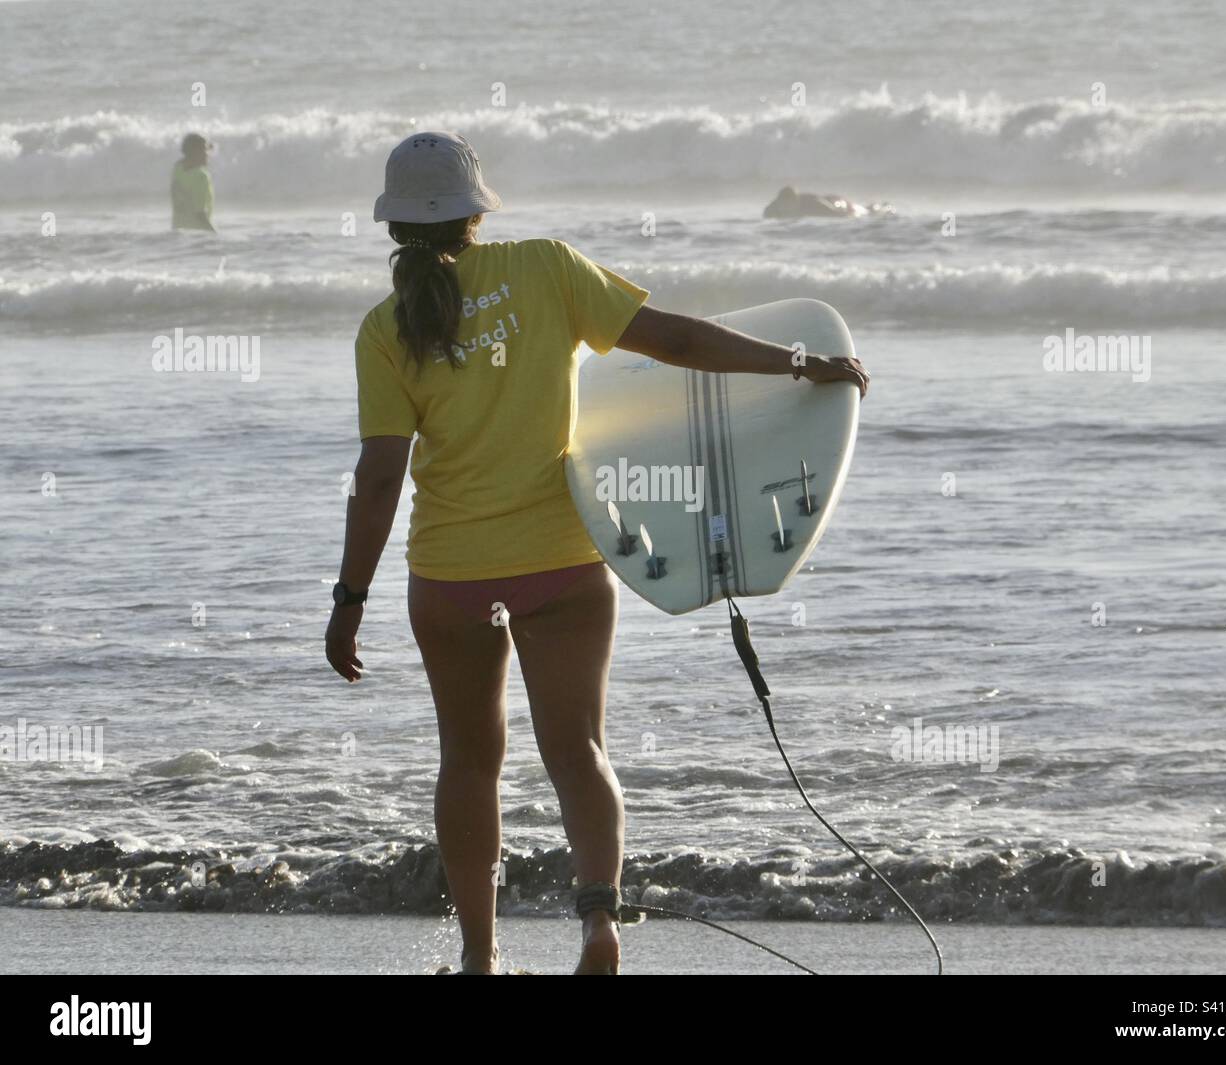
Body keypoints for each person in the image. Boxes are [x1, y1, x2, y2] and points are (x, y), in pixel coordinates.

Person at [325, 131, 868, 974]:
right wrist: (798, 363)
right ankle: (598, 923)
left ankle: (478, 958)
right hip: (561, 564)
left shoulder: (386, 328)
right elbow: (679, 344)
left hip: (452, 576)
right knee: (577, 747)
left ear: (396, 226)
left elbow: (381, 476)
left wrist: (348, 598)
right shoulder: (547, 268)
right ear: (476, 213)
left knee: (468, 760)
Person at [763, 185, 892, 220]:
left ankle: (883, 207)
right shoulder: (779, 204)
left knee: (864, 211)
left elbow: (837, 214)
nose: (784, 208)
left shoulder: (810, 203)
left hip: (836, 203)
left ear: (793, 200)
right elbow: (766, 212)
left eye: (787, 204)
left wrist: (849, 218)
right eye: (782, 204)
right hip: (828, 199)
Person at [171, 133, 215, 231]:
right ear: (195, 152)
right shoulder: (201, 177)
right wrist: (214, 234)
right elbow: (200, 213)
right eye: (205, 150)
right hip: (198, 234)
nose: (208, 154)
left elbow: (184, 160)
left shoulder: (177, 169)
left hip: (178, 231)